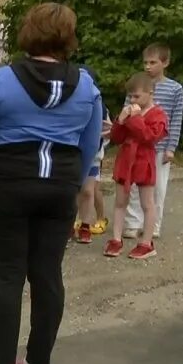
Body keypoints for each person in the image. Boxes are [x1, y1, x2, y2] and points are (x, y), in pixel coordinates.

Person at [0, 3, 104, 364]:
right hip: (59, 187)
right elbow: (91, 145)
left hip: (6, 186)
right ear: (68, 38)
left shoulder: (1, 81)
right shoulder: (88, 84)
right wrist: (73, 182)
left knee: (7, 275)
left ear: (28, 32)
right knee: (48, 274)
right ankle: (39, 363)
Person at [123, 43, 183, 240]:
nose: (148, 66)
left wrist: (171, 147)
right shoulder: (137, 85)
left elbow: (175, 119)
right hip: (137, 145)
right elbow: (127, 110)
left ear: (165, 63)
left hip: (159, 147)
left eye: (153, 62)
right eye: (145, 62)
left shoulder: (175, 89)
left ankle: (153, 224)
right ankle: (132, 222)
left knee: (157, 188)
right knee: (133, 186)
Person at [104, 73, 168, 260]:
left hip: (143, 160)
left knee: (147, 203)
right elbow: (116, 138)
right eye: (130, 96)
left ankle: (146, 243)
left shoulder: (158, 115)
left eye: (137, 96)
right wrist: (120, 121)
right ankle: (116, 239)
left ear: (150, 93)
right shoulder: (129, 111)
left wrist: (135, 118)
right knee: (120, 201)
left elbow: (148, 137)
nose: (133, 100)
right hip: (125, 159)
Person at [73, 66, 112, 245]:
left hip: (93, 153)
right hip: (73, 152)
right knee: (72, 192)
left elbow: (106, 130)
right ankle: (71, 224)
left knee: (88, 191)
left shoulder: (99, 104)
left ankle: (86, 226)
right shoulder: (70, 101)